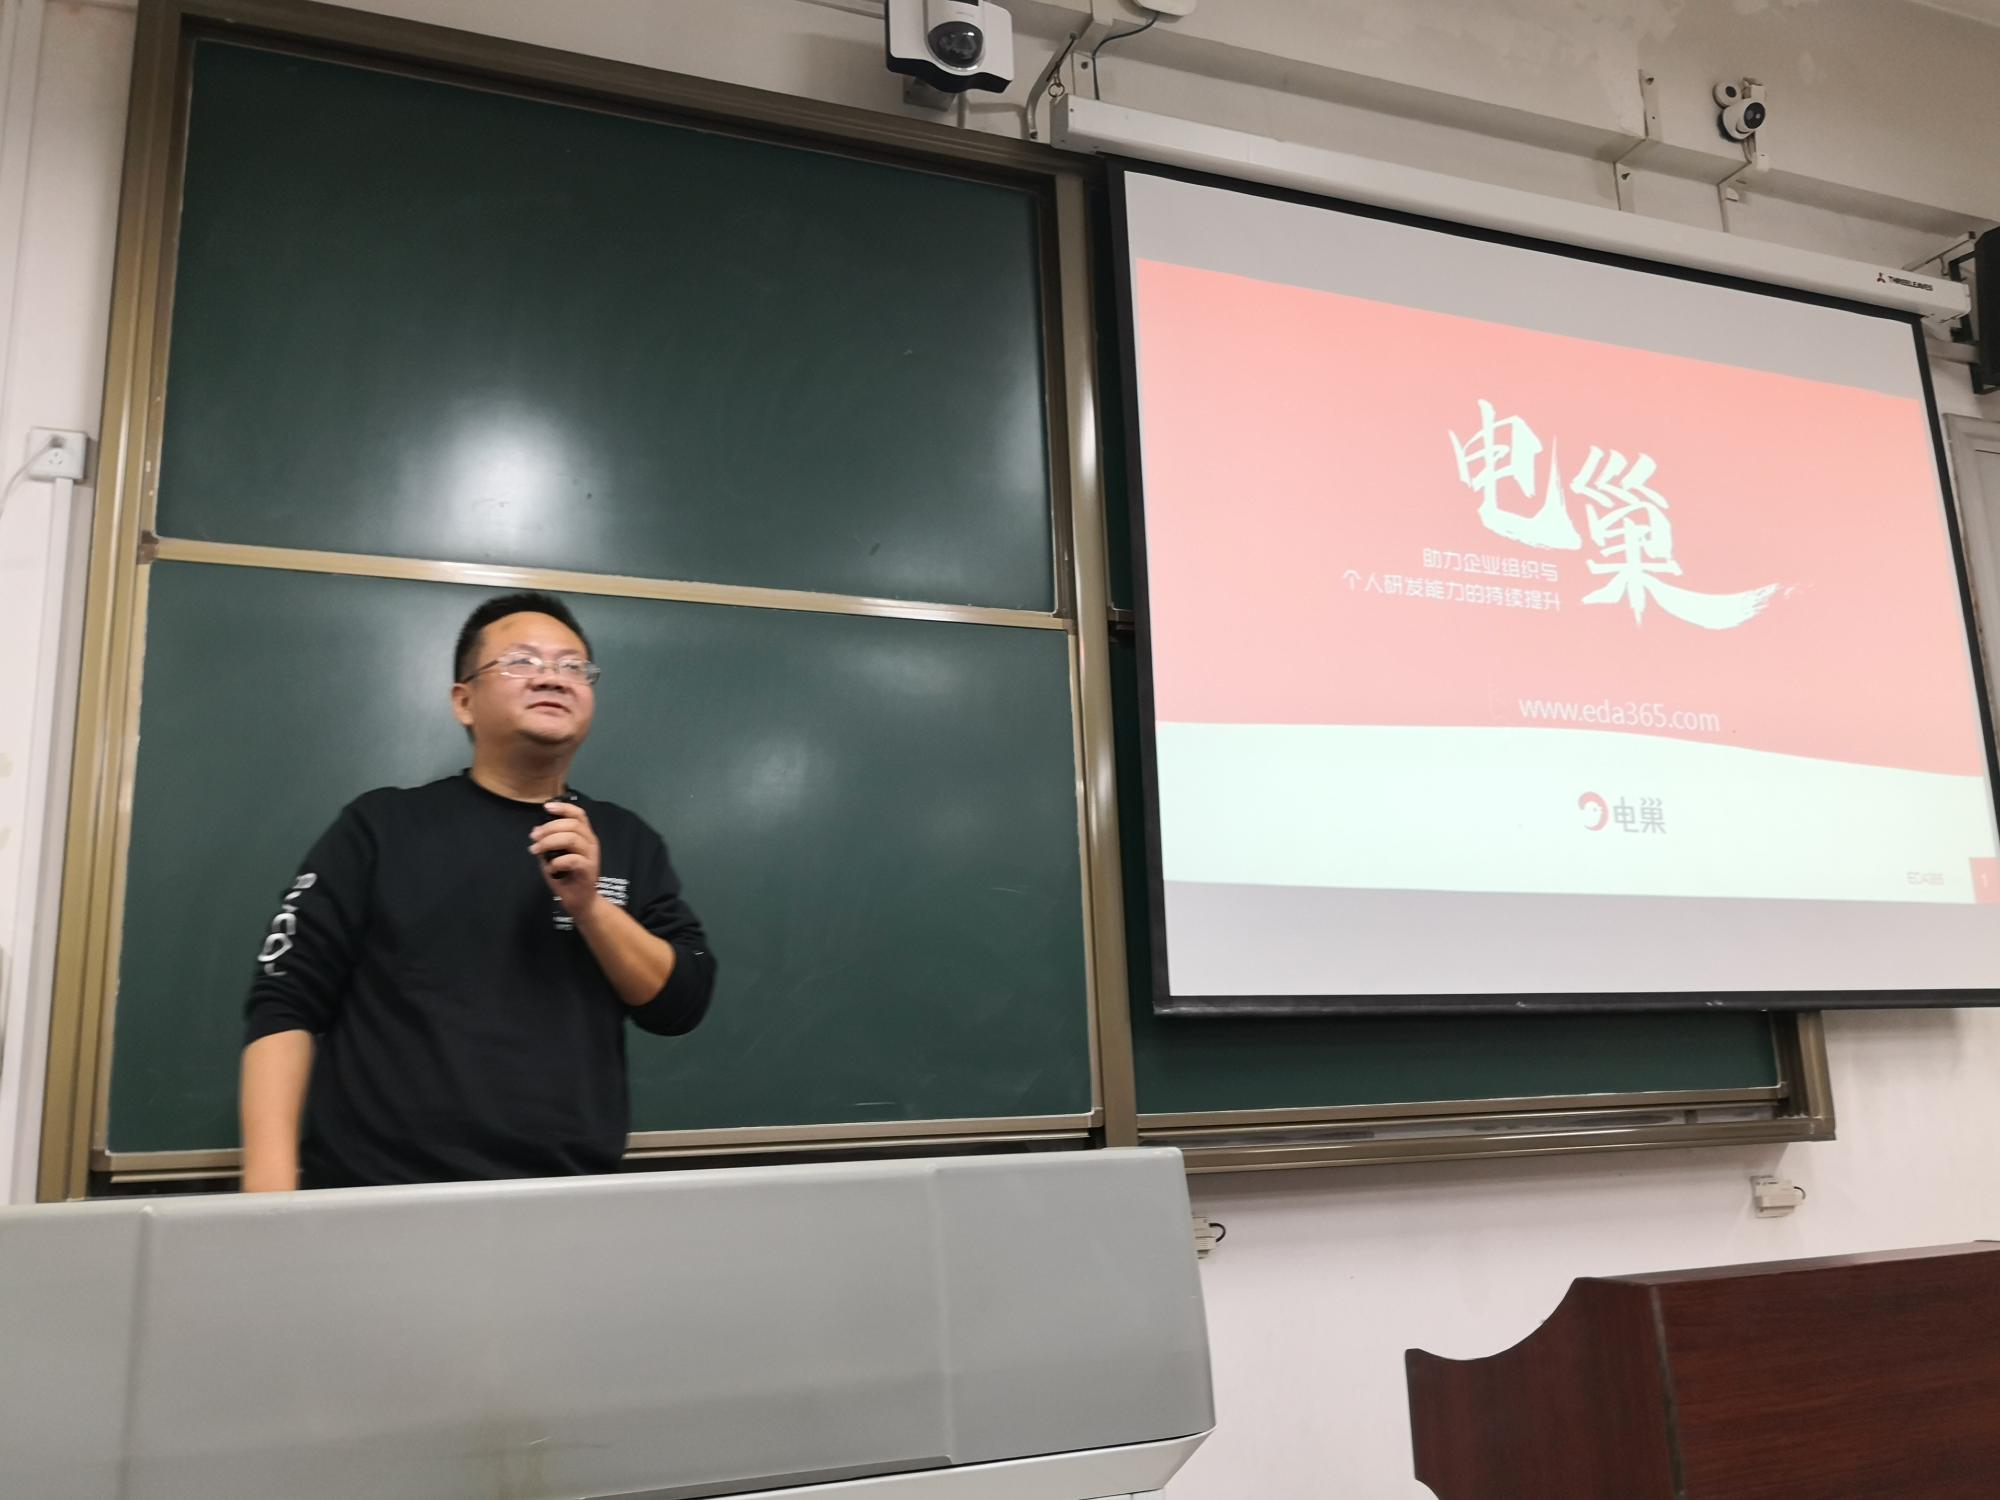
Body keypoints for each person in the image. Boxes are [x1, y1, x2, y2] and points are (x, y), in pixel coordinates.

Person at [238, 590, 715, 1191]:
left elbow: (680, 1004)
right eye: (522, 661)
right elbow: (285, 1000)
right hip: (379, 1193)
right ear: (464, 701)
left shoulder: (624, 839)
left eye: (573, 666)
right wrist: (268, 1199)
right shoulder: (380, 827)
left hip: (569, 1196)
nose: (552, 677)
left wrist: (591, 908)